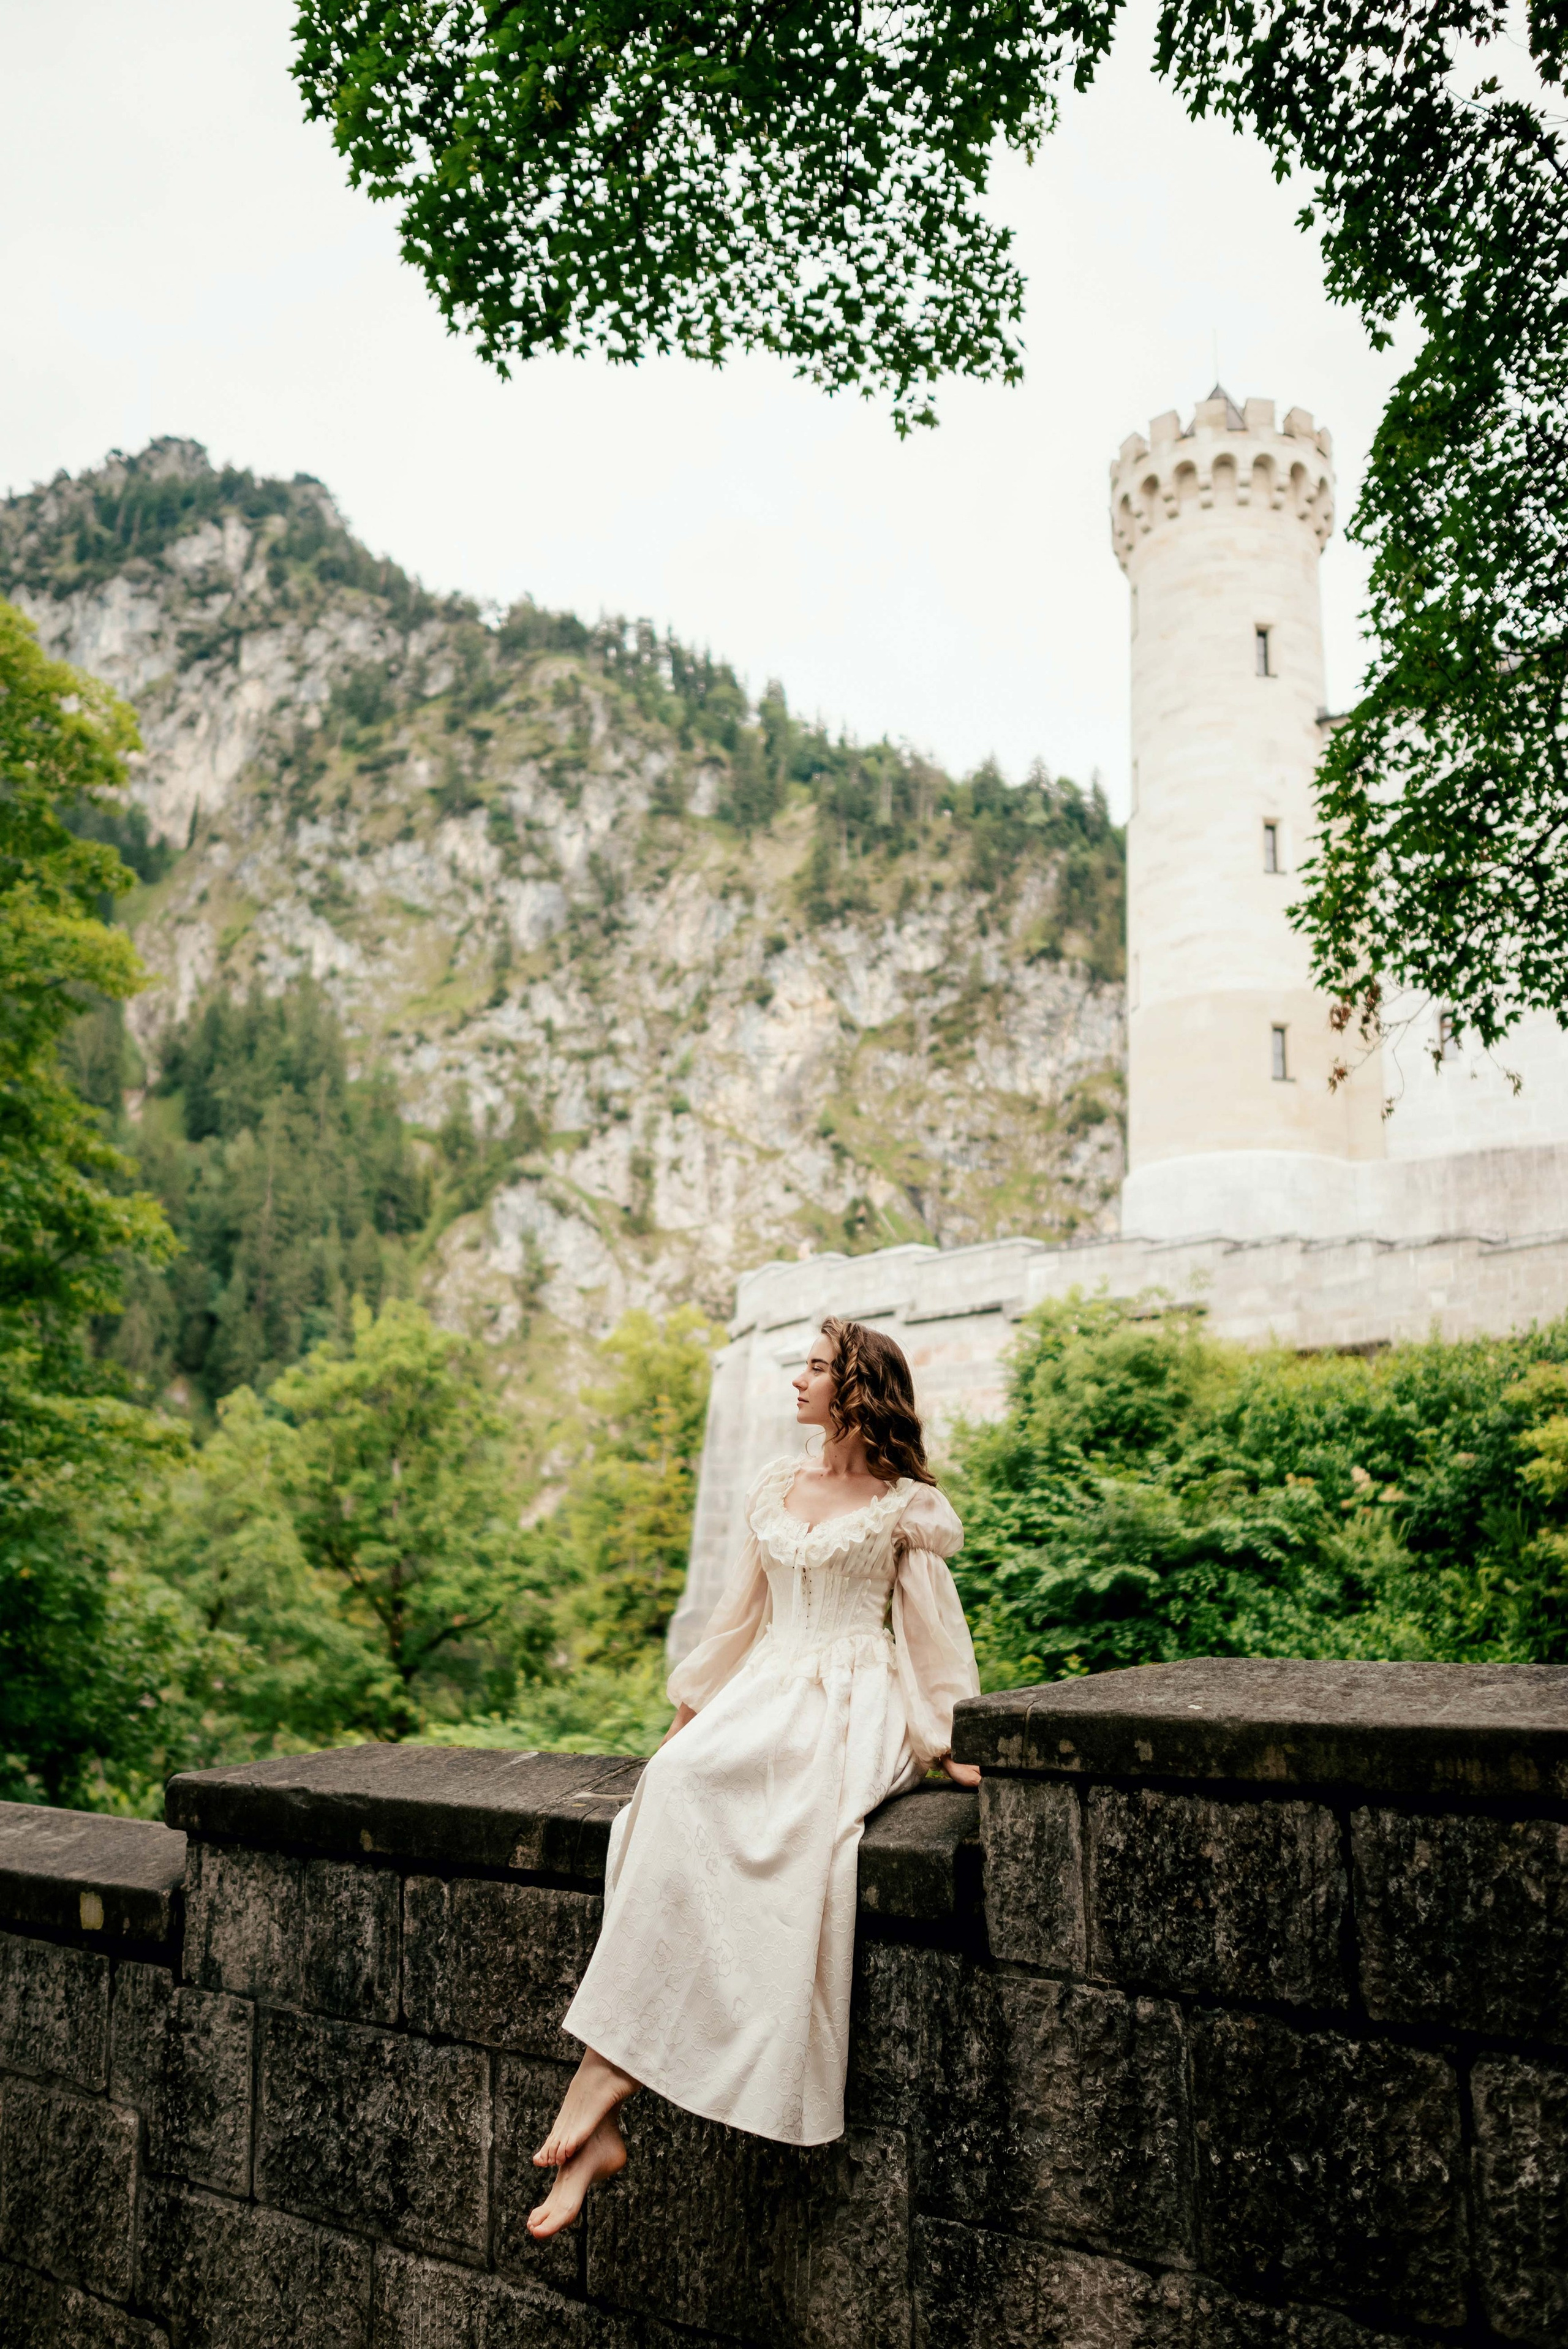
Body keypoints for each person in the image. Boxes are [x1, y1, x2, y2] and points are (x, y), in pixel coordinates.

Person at [526, 1315, 981, 2239]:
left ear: (856, 1388)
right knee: (676, 1789)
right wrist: (687, 1720)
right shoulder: (778, 1486)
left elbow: (933, 1636)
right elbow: (737, 1617)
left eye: (814, 1369)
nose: (797, 1382)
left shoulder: (904, 1505)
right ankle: (603, 2111)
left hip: (851, 1700)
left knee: (783, 1837)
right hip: (769, 1683)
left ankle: (601, 2078)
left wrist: (948, 1740)